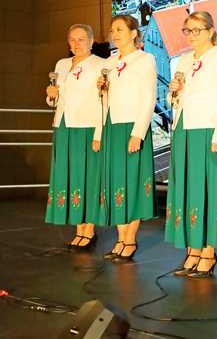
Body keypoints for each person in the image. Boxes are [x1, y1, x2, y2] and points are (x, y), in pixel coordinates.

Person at [164, 11, 217, 278]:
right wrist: (173, 92)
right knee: (188, 190)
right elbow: (176, 100)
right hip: (185, 129)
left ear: (210, 30)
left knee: (209, 190)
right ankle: (192, 249)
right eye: (188, 30)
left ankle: (208, 252)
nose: (193, 36)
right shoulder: (183, 60)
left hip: (209, 130)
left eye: (198, 30)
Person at [96, 14, 158, 263]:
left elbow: (148, 98)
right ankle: (120, 239)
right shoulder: (109, 62)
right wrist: (101, 89)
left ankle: (130, 240)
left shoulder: (145, 60)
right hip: (112, 126)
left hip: (132, 128)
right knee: (115, 184)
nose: (115, 34)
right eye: (113, 30)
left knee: (131, 184)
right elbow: (103, 102)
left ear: (133, 33)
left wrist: (138, 133)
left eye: (120, 29)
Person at [45, 24, 104, 250]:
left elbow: (103, 102)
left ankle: (88, 230)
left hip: (86, 127)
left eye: (81, 39)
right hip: (63, 125)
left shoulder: (100, 65)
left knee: (86, 177)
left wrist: (99, 133)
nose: (76, 44)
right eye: (72, 40)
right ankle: (78, 228)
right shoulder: (61, 65)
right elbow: (56, 100)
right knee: (69, 178)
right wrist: (51, 96)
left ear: (90, 41)